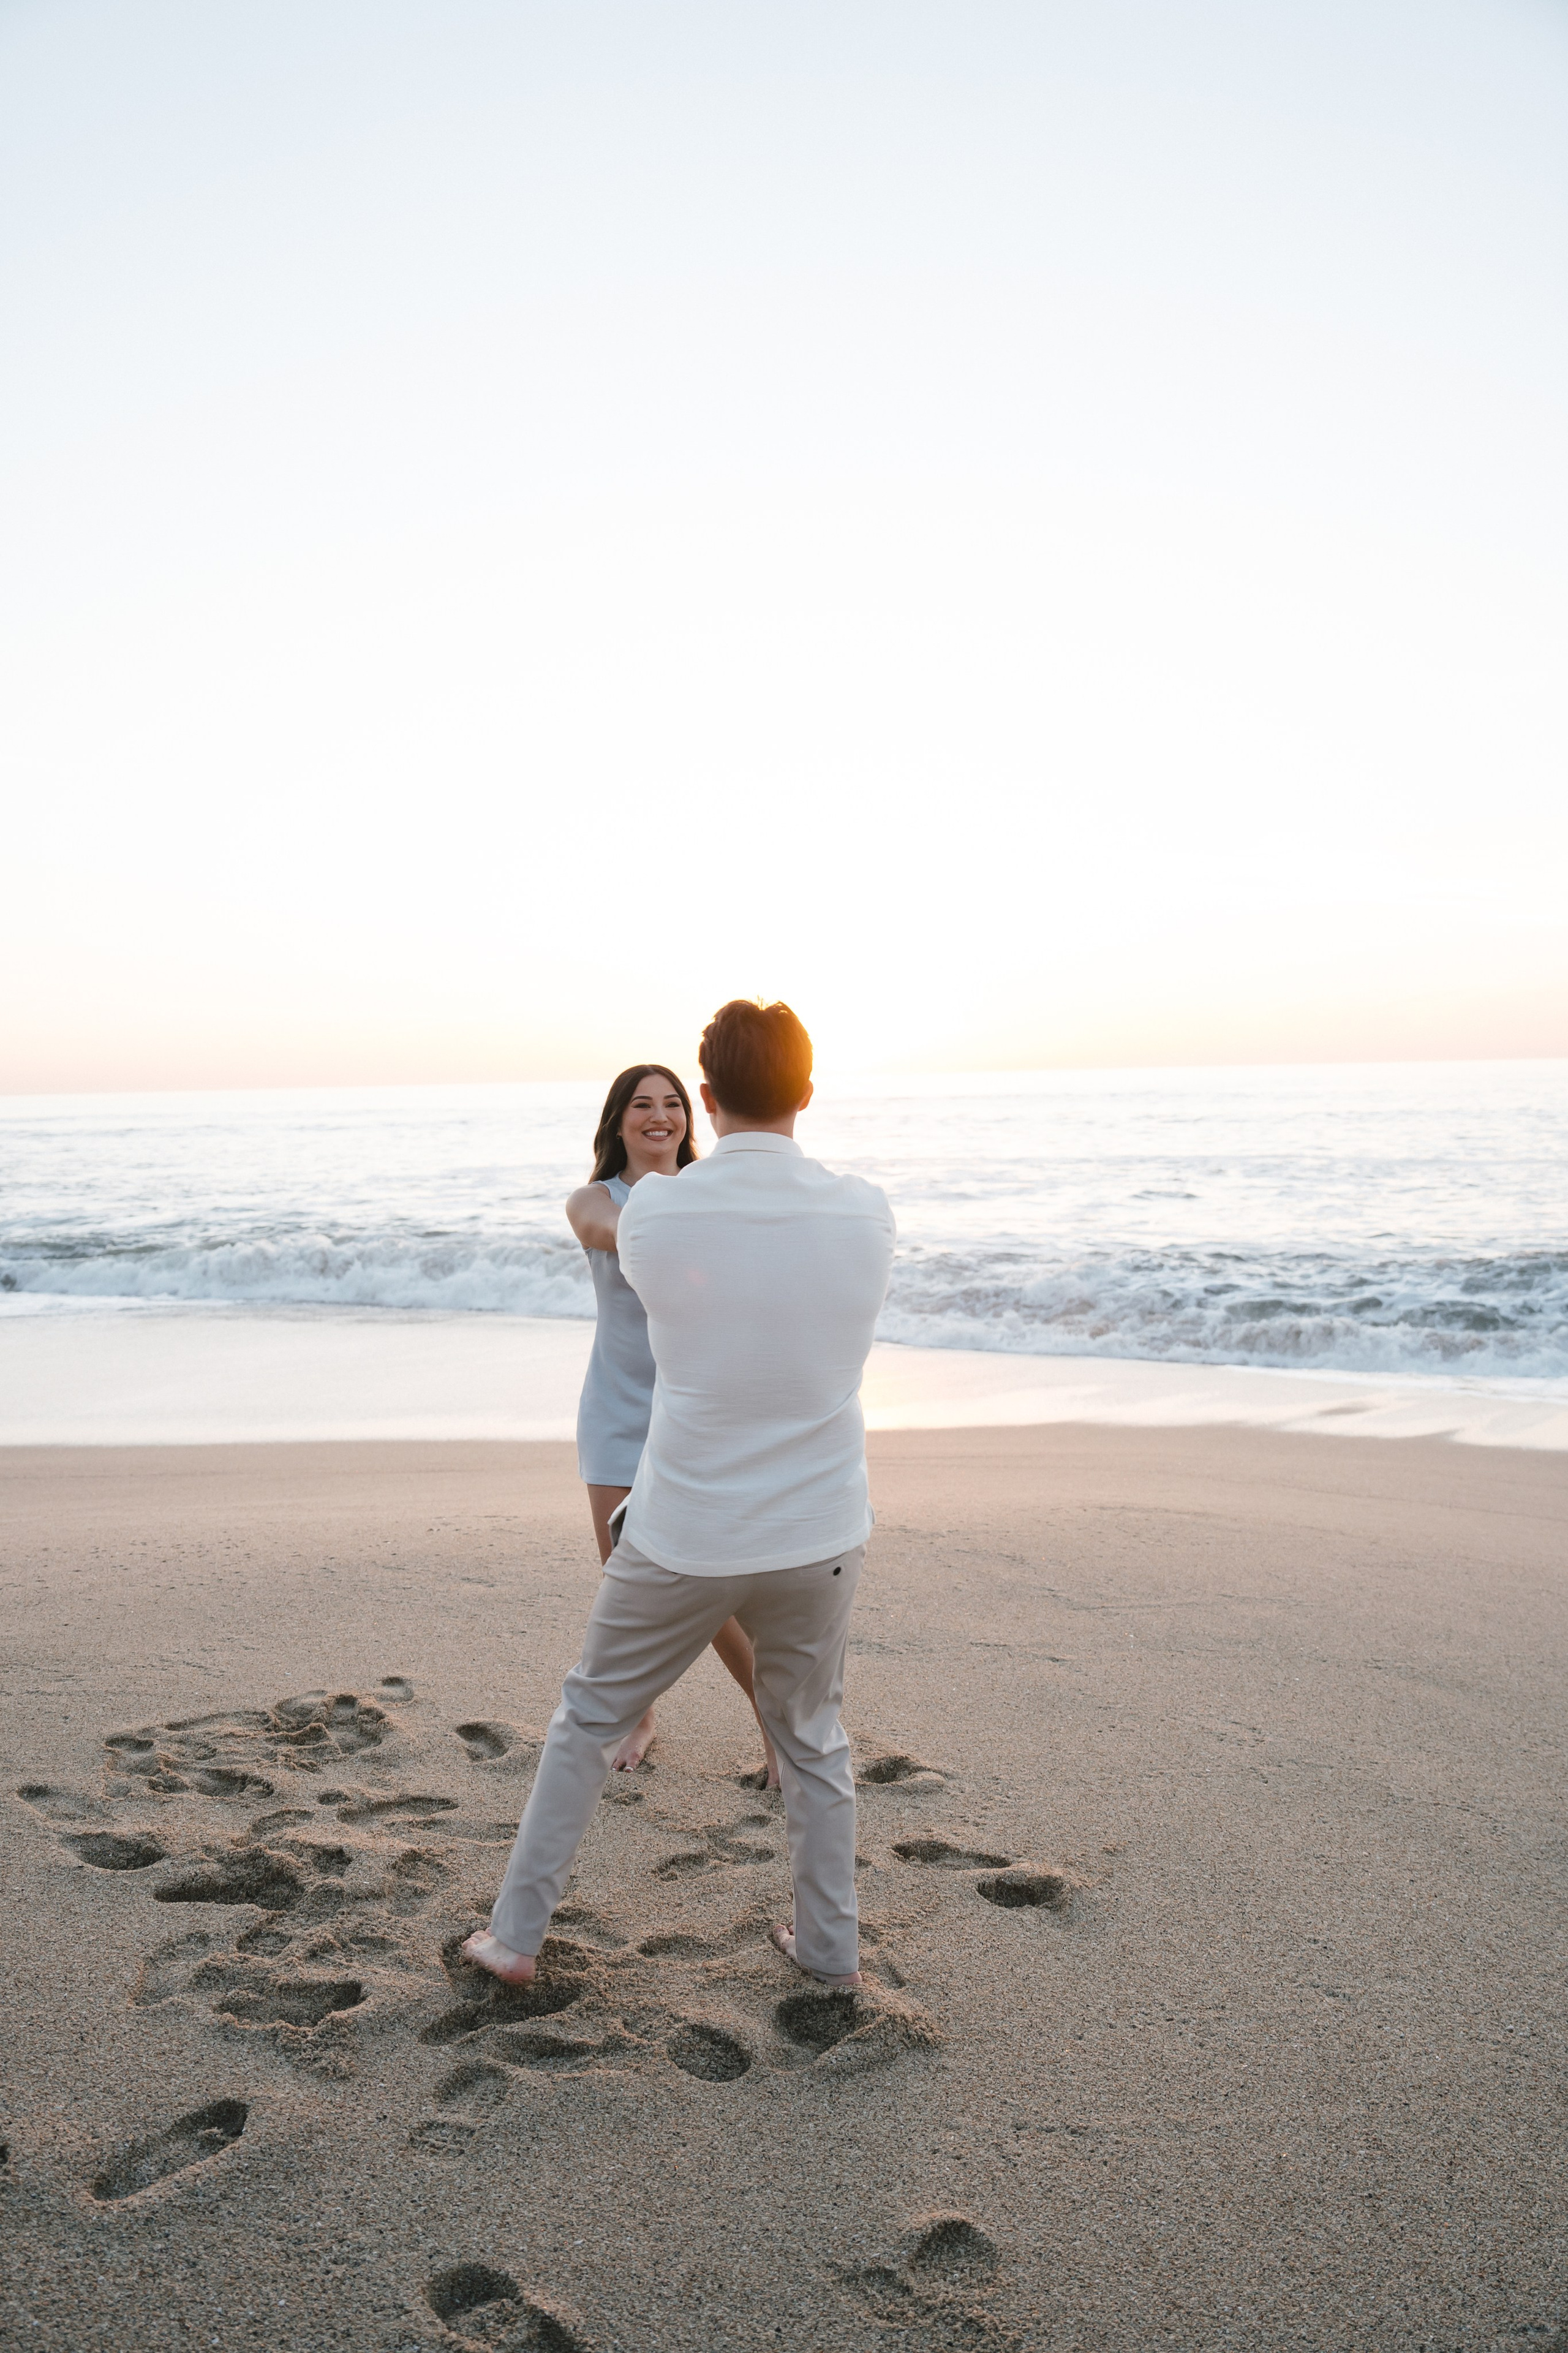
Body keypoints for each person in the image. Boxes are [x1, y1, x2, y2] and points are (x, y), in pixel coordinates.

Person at [465, 999, 895, 1990]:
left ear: (706, 1096)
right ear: (808, 1090)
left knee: (588, 1718)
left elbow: (665, 1272)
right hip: (822, 1526)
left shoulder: (657, 1211)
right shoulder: (868, 1209)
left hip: (686, 1527)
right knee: (814, 1739)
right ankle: (829, 1951)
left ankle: (515, 1940)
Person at [567, 1062, 777, 1783]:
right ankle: (641, 1716)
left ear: (691, 1116)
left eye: (672, 1103)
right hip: (616, 1412)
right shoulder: (595, 1199)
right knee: (625, 1583)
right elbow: (616, 1234)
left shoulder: (712, 1193)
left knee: (707, 1583)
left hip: (694, 1413)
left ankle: (775, 1725)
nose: (659, 1116)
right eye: (641, 1104)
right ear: (618, 1121)